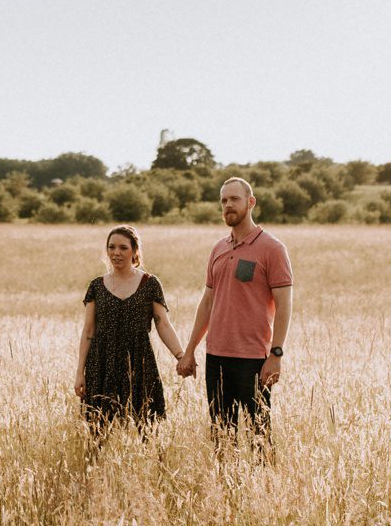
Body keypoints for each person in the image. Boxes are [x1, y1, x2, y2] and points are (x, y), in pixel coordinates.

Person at [176, 177, 293, 446]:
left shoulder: (272, 249)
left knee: (260, 436)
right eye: (224, 201)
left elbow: (285, 305)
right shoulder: (218, 248)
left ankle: (262, 487)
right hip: (216, 357)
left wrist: (276, 354)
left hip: (253, 359)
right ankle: (226, 488)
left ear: (251, 203)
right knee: (221, 435)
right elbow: (207, 302)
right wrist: (191, 349)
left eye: (234, 199)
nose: (228, 205)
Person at [74, 225, 186, 430]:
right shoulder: (96, 286)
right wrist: (80, 372)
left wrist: (181, 356)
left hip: (139, 362)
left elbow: (164, 325)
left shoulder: (150, 283)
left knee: (149, 429)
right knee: (98, 432)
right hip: (102, 363)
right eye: (111, 247)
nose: (116, 253)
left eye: (123, 248)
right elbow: (88, 331)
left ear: (135, 251)